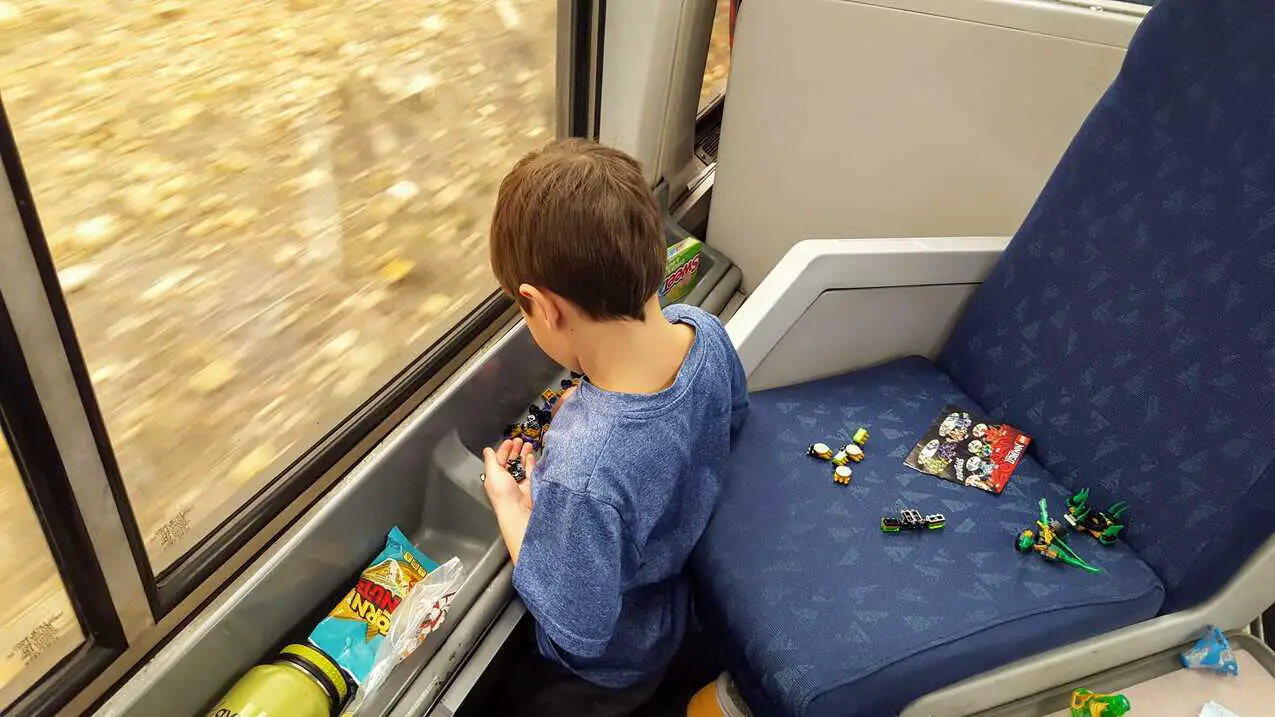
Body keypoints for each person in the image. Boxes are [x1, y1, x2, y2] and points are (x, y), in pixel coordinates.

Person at [480, 138, 748, 716]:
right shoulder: (702, 331)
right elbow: (729, 426)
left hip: (610, 669)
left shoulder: (583, 467)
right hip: (677, 605)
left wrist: (513, 508)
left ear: (542, 305)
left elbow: (577, 625)